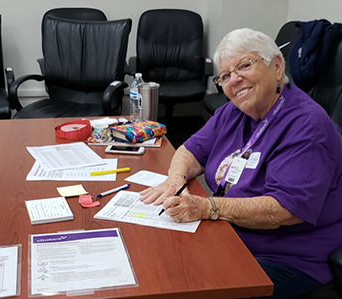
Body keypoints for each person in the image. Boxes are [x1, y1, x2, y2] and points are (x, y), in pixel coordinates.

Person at [139, 28, 342, 299]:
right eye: (225, 75)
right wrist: (176, 179)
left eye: (245, 65)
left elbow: (283, 210)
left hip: (286, 255)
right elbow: (190, 150)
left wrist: (207, 207)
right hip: (231, 233)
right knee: (156, 260)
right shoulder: (233, 112)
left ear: (277, 66)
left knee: (187, 287)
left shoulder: (307, 126)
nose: (235, 80)